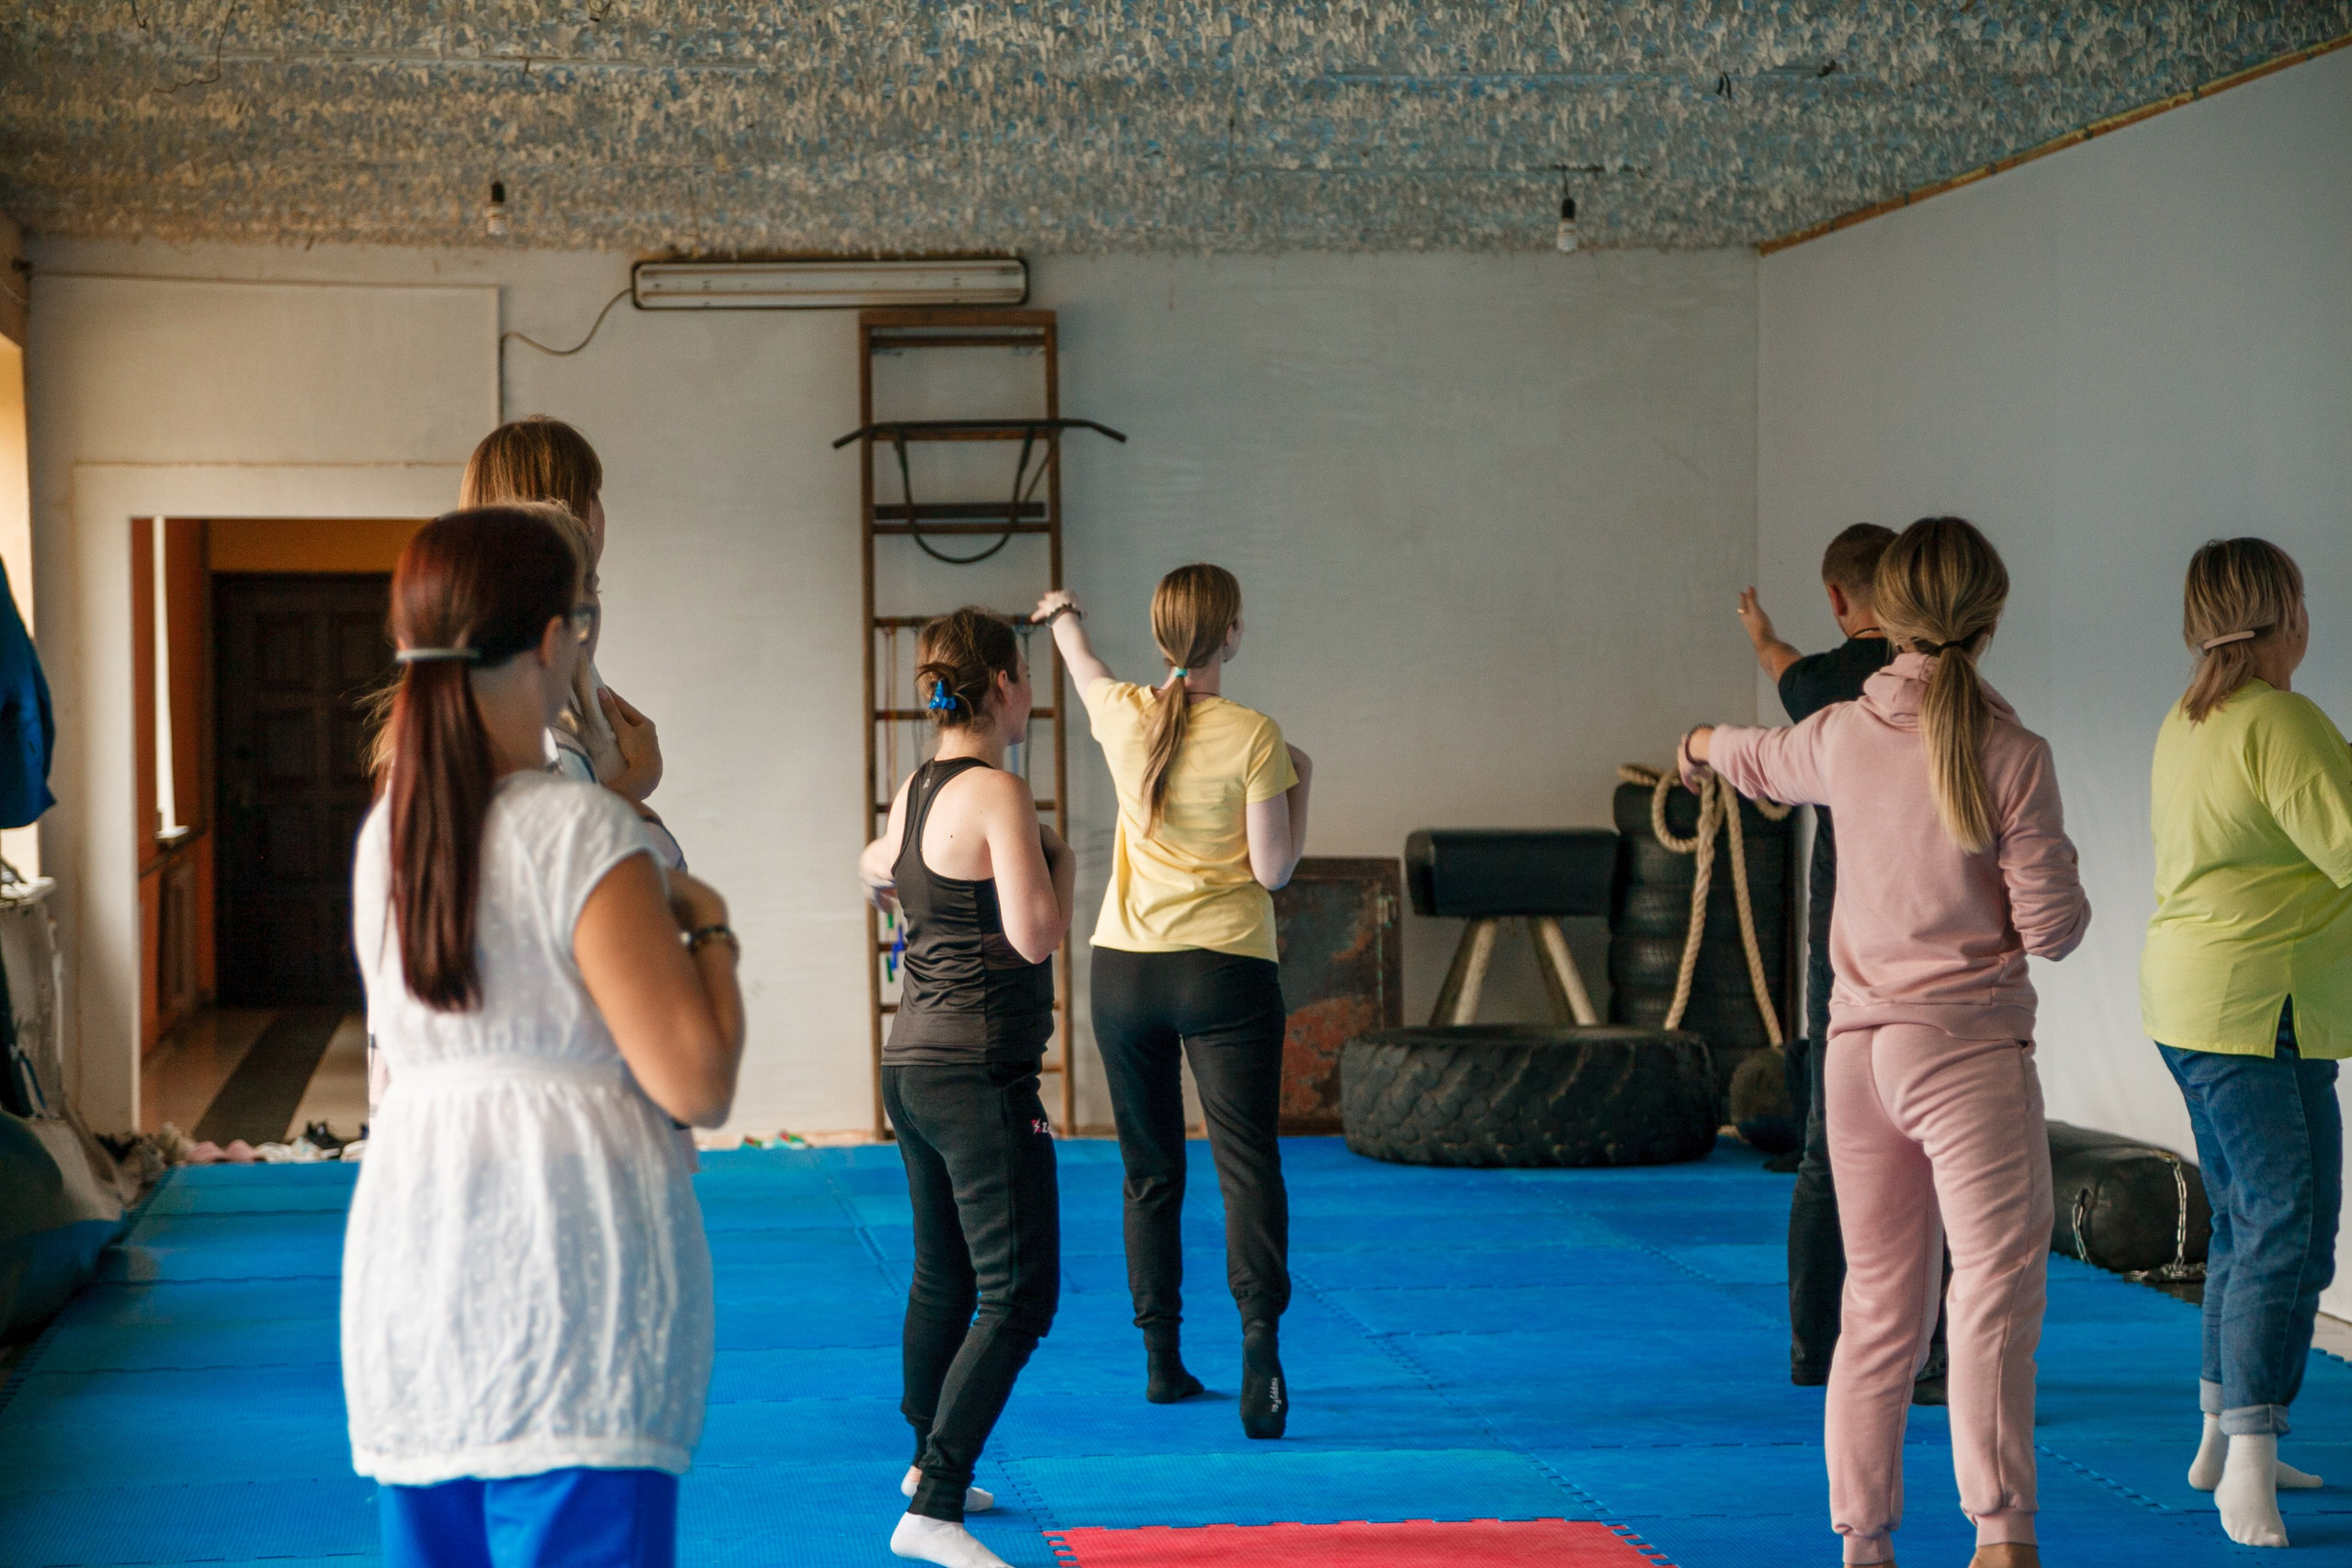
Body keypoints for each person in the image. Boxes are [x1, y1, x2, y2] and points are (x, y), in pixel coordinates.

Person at [342, 505, 745, 1568]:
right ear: (558, 642)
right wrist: (708, 926)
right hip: (564, 1282)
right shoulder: (579, 833)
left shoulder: (392, 833)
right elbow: (697, 1080)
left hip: (419, 1274)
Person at [1683, 517, 2088, 1568]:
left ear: (1881, 617)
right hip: (1965, 1061)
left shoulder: (1837, 732)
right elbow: (2052, 929)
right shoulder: (2012, 752)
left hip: (1856, 1059)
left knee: (1876, 1312)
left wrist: (1692, 748)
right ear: (1990, 618)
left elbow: (1750, 758)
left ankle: (1863, 1545)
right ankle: (2000, 1539)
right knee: (1991, 1296)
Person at [1036, 566, 1312, 1440]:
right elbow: (1273, 871)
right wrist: (1304, 782)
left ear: (1161, 639)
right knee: (1246, 1162)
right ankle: (1259, 1347)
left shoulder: (1123, 713)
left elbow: (1078, 657)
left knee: (1149, 1172)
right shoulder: (1255, 735)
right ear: (1231, 634)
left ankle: (1161, 1363)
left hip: (1124, 973)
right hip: (1225, 972)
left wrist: (1063, 615)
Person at [858, 607, 1076, 1568]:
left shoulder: (913, 788)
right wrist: (1060, 864)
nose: (1030, 694)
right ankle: (933, 1506)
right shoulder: (997, 791)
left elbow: (875, 867)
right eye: (1025, 677)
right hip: (978, 1071)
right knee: (1020, 1294)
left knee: (946, 1275)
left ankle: (923, 1465)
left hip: (910, 1065)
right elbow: (1036, 937)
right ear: (999, 687)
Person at [2141, 537, 2343, 1549]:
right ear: (2286, 618)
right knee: (2282, 1224)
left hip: (2216, 1006)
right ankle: (2246, 1463)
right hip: (2248, 1011)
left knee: (2255, 1222)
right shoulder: (2282, 721)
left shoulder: (2191, 719)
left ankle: (2227, 1436)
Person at [1739, 525, 1949, 1405]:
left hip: (1850, 949)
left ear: (1838, 600)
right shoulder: (1958, 697)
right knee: (1934, 1160)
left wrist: (1757, 632)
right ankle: (1933, 1357)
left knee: (1835, 1146)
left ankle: (1816, 1350)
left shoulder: (1830, 690)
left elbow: (1782, 671)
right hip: (1941, 954)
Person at [461, 416, 677, 865]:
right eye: (592, 494)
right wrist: (637, 783)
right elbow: (540, 849)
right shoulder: (525, 700)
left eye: (593, 588)